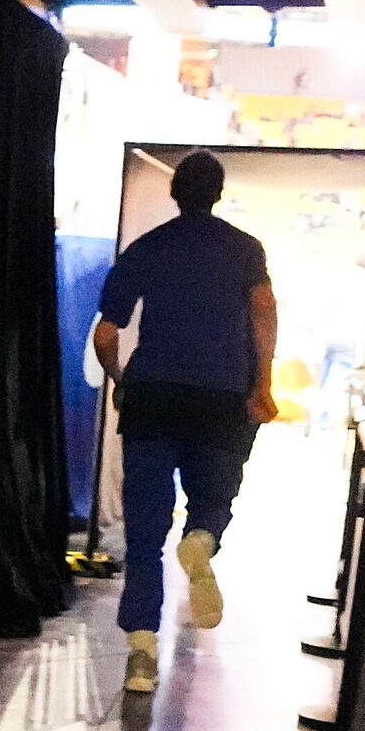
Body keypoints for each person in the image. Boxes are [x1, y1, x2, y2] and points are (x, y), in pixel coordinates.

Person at [90, 151, 277, 693]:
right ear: (218, 193)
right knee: (215, 499)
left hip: (152, 397)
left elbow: (106, 334)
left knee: (144, 532)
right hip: (220, 398)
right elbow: (264, 310)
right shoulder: (245, 250)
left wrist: (122, 379)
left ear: (175, 192)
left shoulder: (146, 249)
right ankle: (201, 538)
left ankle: (142, 656)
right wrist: (261, 382)